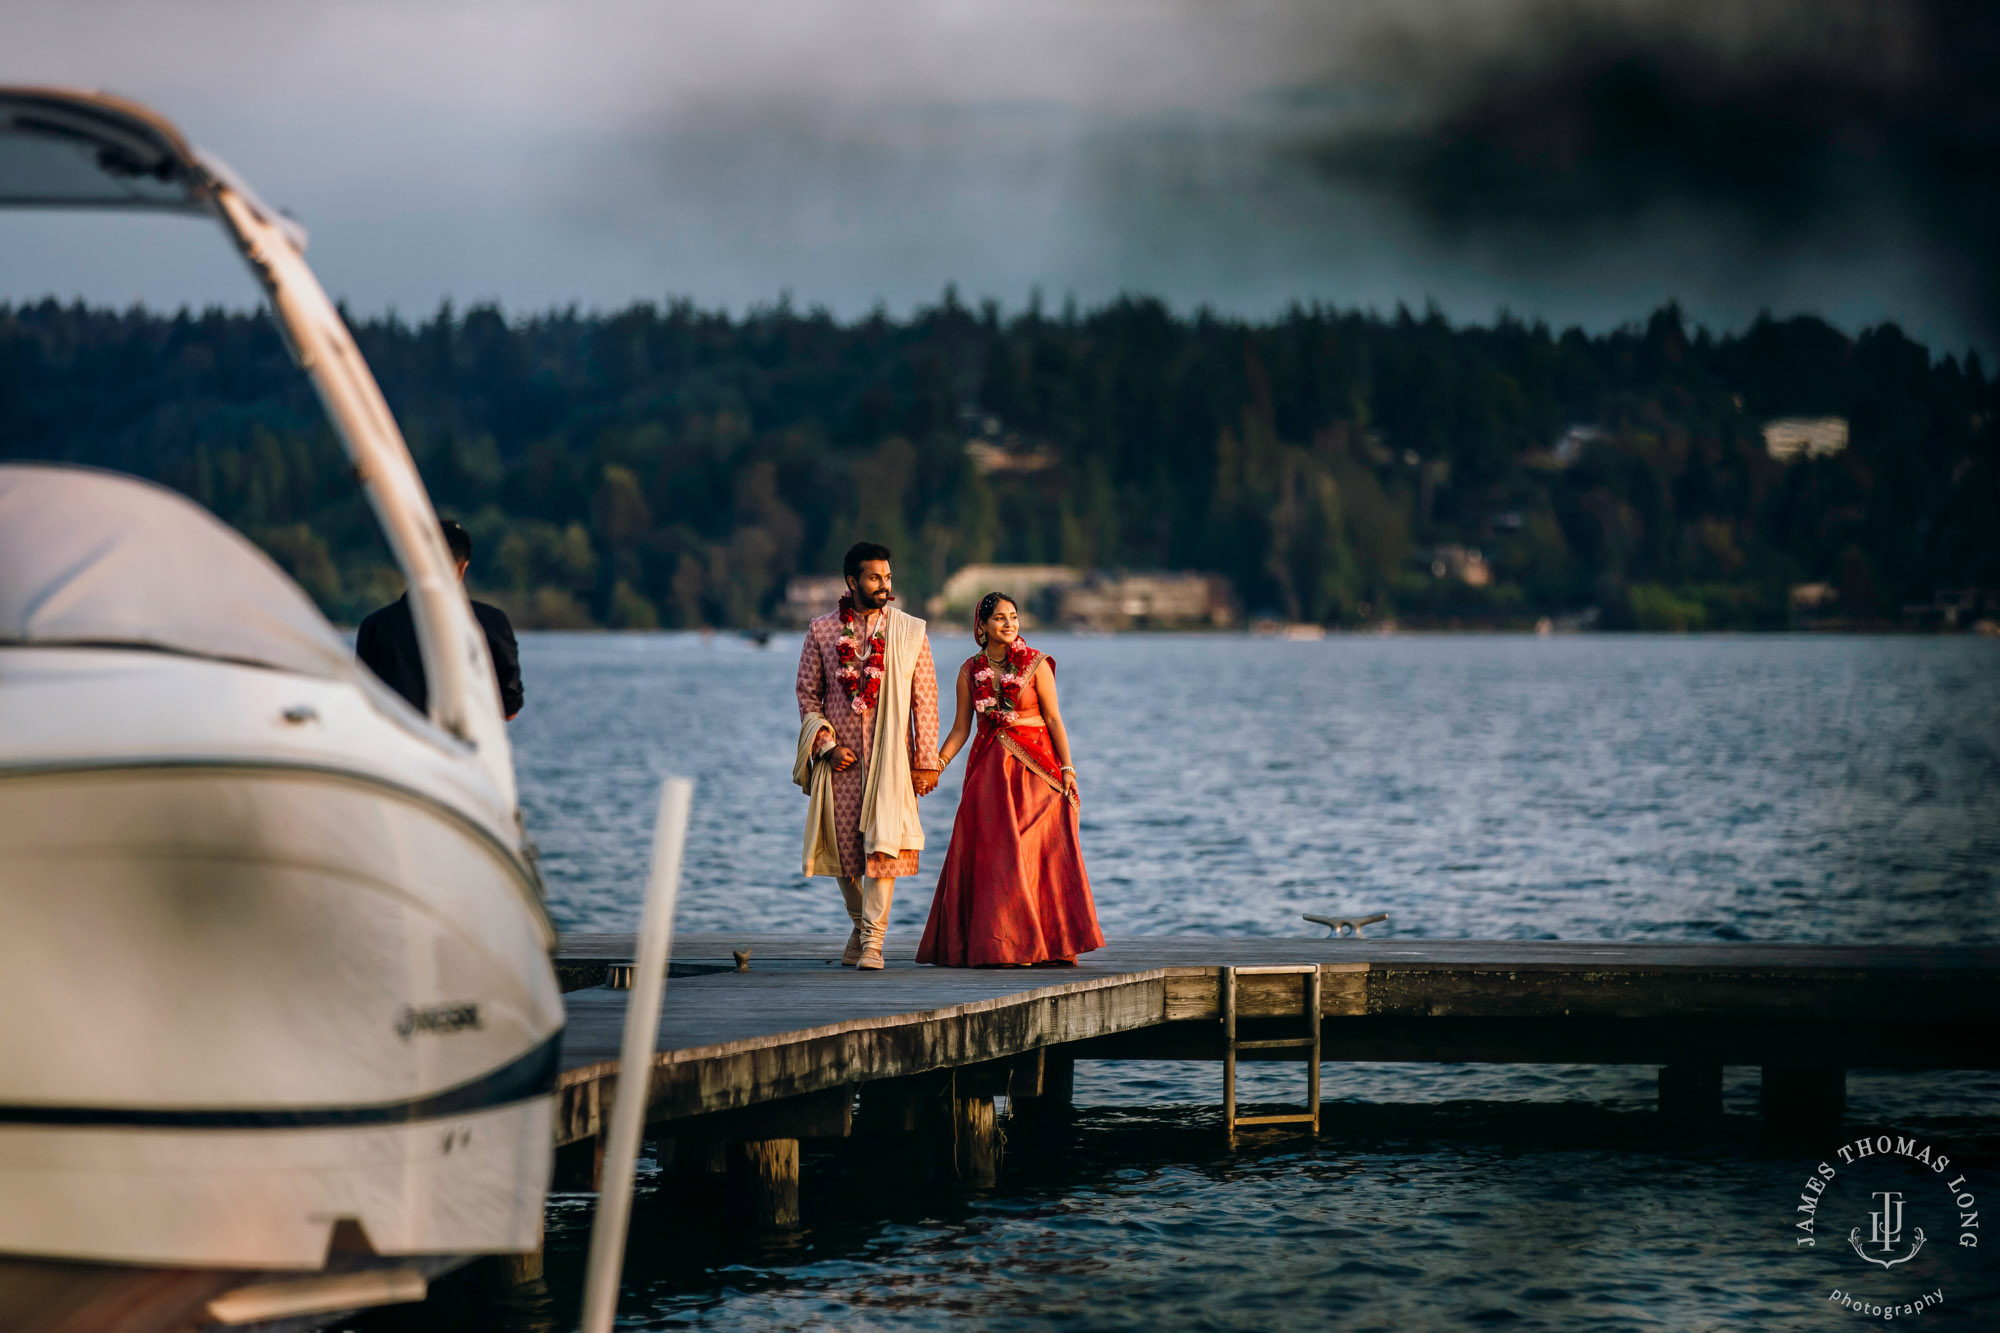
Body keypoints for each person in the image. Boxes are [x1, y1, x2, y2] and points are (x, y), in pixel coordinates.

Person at [917, 592, 1103, 968]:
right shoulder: (970, 672)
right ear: (981, 627)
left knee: (1037, 853)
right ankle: (1006, 947)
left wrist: (1068, 771)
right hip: (990, 777)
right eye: (999, 618)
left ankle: (1045, 945)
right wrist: (937, 763)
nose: (1009, 624)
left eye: (1014, 617)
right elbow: (960, 729)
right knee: (999, 859)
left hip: (1038, 773)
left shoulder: (1036, 665)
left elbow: (1053, 720)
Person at [793, 542, 942, 970]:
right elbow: (807, 694)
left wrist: (925, 762)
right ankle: (861, 927)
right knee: (843, 854)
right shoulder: (821, 631)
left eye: (888, 577)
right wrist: (825, 745)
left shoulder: (910, 631)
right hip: (841, 762)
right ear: (852, 581)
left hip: (891, 759)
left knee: (883, 850)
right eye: (875, 577)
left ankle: (873, 942)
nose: (884, 585)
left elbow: (925, 700)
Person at [355, 519, 523, 720]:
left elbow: (362, 704)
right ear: (462, 568)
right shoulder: (492, 623)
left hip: (394, 747)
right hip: (461, 748)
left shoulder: (375, 626)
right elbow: (509, 709)